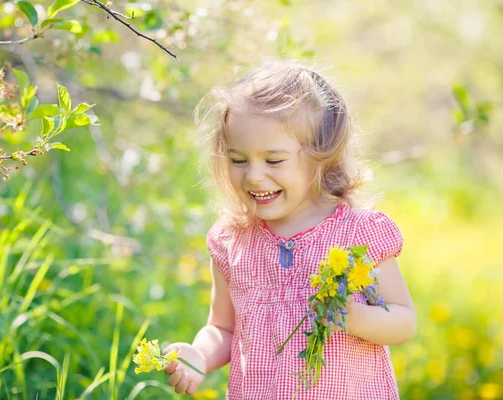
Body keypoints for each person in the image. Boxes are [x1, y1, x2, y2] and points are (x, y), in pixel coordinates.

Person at [162, 60, 416, 399]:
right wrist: (200, 355)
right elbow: (223, 327)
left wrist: (353, 316)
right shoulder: (232, 240)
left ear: (320, 156)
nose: (253, 176)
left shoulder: (358, 234)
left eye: (273, 160)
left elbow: (403, 321)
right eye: (239, 160)